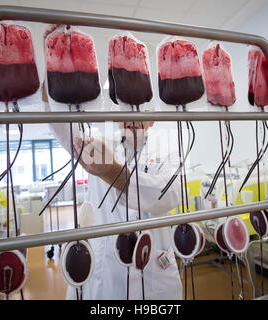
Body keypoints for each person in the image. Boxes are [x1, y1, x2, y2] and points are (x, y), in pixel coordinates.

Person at [41, 24, 182, 299]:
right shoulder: (97, 142)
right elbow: (61, 125)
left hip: (153, 269)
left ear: (152, 119)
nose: (130, 117)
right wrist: (54, 66)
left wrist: (114, 172)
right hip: (106, 276)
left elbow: (169, 196)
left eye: (140, 112)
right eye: (123, 111)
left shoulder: (169, 150)